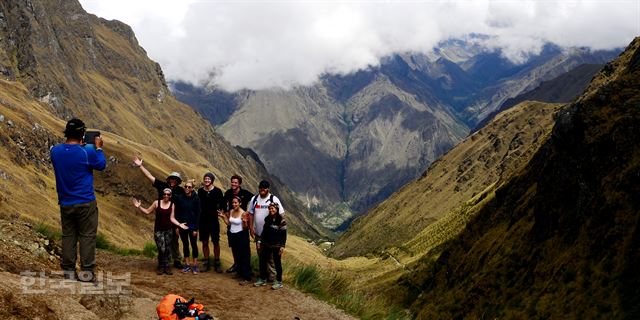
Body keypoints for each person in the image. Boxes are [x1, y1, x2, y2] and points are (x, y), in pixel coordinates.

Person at [50, 118, 106, 282]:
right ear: (82, 134)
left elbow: (67, 154)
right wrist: (99, 148)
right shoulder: (87, 151)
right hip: (85, 201)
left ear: (66, 133)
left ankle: (68, 271)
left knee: (68, 236)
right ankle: (87, 273)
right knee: (87, 236)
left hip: (65, 201)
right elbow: (101, 165)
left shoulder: (55, 151)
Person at [133, 156, 185, 269]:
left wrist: (179, 225)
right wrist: (141, 166)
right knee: (162, 244)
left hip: (174, 219)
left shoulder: (181, 191)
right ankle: (163, 262)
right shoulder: (162, 186)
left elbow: (183, 206)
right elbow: (149, 176)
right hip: (161, 220)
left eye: (175, 179)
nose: (173, 181)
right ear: (169, 179)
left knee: (174, 242)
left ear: (178, 181)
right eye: (171, 179)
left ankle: (177, 260)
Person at [132, 188, 187, 275]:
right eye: (164, 194)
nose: (166, 196)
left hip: (168, 230)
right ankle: (161, 265)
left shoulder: (172, 205)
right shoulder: (156, 203)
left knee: (168, 248)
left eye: (168, 194)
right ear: (162, 194)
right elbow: (147, 211)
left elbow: (172, 218)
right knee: (162, 248)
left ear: (170, 196)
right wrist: (139, 207)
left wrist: (179, 225)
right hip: (158, 230)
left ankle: (167, 266)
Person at [249, 180, 285, 283]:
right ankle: (263, 276)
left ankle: (272, 277)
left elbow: (281, 214)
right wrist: (251, 227)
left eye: (264, 189)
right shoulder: (255, 199)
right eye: (260, 188)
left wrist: (277, 229)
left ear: (268, 189)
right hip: (259, 233)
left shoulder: (273, 199)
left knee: (272, 257)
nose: (262, 190)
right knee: (261, 256)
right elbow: (251, 213)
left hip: (272, 235)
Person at [222, 175, 254, 273]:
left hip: (242, 224)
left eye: (236, 182)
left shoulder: (245, 193)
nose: (233, 184)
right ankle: (236, 264)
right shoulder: (228, 193)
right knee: (233, 245)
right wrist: (226, 213)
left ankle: (245, 268)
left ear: (239, 183)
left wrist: (247, 212)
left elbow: (254, 200)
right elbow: (224, 204)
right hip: (232, 222)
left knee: (243, 247)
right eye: (232, 182)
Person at [218, 196, 252, 285]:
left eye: (236, 203)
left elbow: (245, 228)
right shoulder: (231, 211)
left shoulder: (243, 213)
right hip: (233, 235)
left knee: (244, 256)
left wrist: (244, 222)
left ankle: (247, 277)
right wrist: (223, 217)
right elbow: (229, 223)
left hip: (242, 235)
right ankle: (239, 273)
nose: (234, 204)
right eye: (233, 203)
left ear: (240, 203)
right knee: (237, 256)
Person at [254, 202, 287, 290]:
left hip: (276, 245)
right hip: (266, 244)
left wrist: (282, 246)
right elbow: (264, 231)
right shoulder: (267, 219)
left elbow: (284, 235)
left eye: (273, 208)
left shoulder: (281, 220)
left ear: (276, 209)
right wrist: (259, 241)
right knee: (262, 261)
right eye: (270, 208)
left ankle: (279, 281)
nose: (271, 210)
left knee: (277, 263)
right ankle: (263, 279)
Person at [197, 172, 224, 272]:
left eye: (209, 179)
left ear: (212, 180)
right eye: (205, 179)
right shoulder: (200, 191)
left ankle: (217, 263)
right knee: (204, 242)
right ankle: (206, 263)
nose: (207, 180)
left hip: (213, 220)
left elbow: (222, 203)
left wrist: (220, 210)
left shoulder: (217, 191)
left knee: (216, 242)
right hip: (203, 220)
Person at [176, 179, 201, 274]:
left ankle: (194, 265)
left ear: (192, 188)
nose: (187, 188)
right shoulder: (180, 198)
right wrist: (178, 226)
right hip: (183, 224)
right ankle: (187, 264)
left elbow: (198, 213)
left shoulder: (196, 198)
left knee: (194, 244)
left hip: (192, 225)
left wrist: (196, 228)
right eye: (185, 187)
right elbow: (177, 212)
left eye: (189, 187)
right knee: (185, 244)